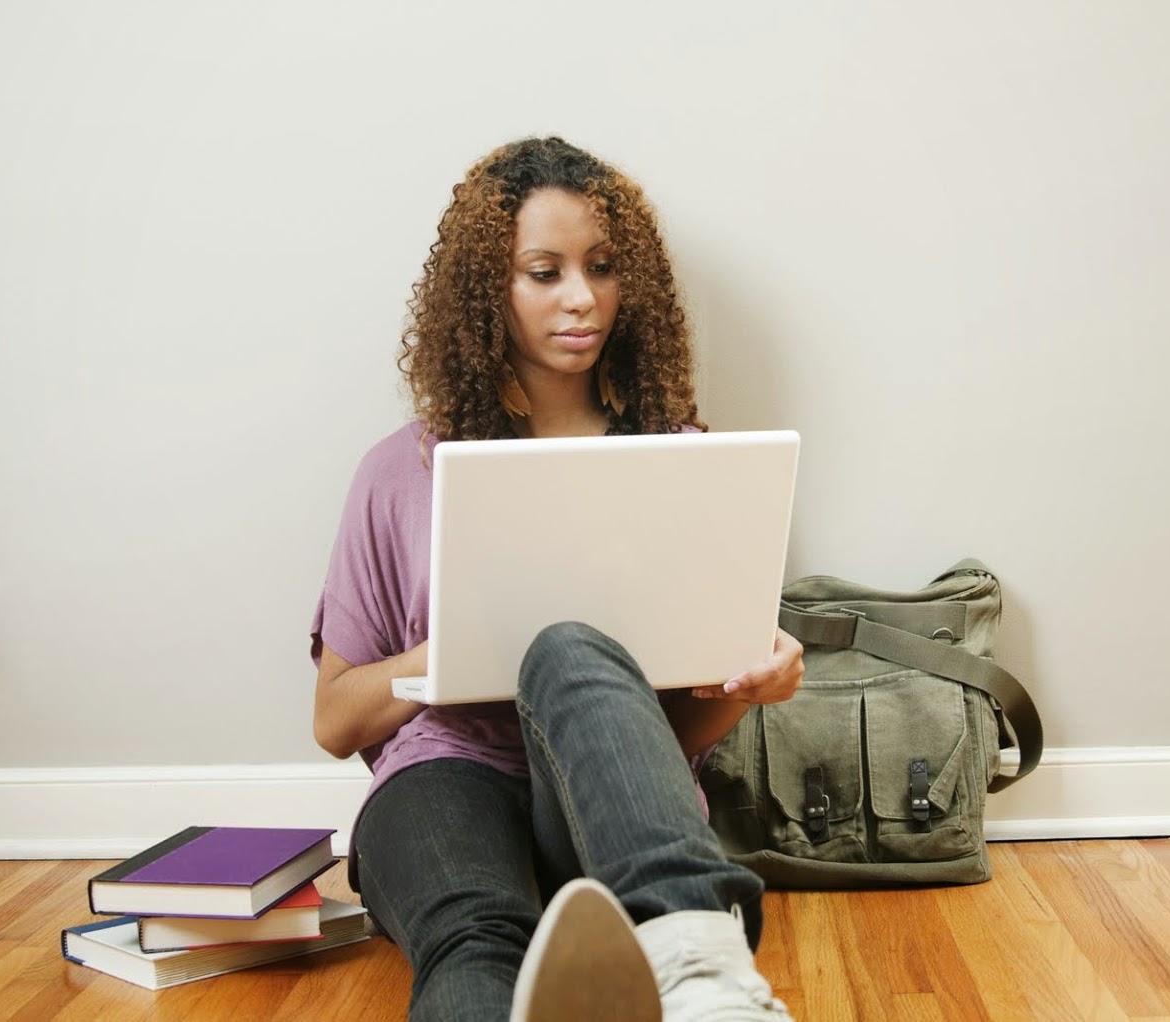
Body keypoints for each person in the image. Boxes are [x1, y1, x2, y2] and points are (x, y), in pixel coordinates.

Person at [310, 136, 802, 1021]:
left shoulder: (680, 462)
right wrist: (458, 645)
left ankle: (704, 978)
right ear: (486, 293)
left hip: (611, 806)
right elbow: (335, 719)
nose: (582, 298)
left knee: (572, 647)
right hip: (441, 779)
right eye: (544, 272)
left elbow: (682, 731)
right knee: (474, 937)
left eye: (602, 267)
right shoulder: (399, 471)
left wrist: (751, 679)